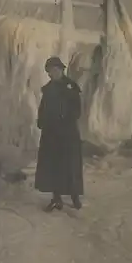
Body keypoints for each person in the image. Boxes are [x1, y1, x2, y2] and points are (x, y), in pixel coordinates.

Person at [35, 56, 84, 212]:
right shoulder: (48, 89)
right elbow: (43, 109)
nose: (53, 73)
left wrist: (65, 119)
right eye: (50, 71)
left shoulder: (70, 87)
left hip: (67, 134)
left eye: (55, 70)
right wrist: (41, 121)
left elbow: (77, 109)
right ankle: (57, 199)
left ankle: (75, 196)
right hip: (51, 135)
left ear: (61, 70)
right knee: (53, 167)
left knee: (70, 165)